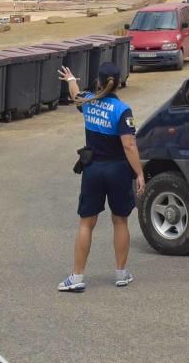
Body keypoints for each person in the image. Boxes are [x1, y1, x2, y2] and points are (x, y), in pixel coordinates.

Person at [57, 61, 145, 293]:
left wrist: (71, 79)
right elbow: (129, 145)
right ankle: (121, 274)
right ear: (118, 83)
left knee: (87, 223)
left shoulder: (88, 102)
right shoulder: (123, 110)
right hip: (118, 171)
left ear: (98, 80)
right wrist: (140, 173)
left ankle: (76, 277)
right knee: (120, 220)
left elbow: (75, 94)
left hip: (93, 169)